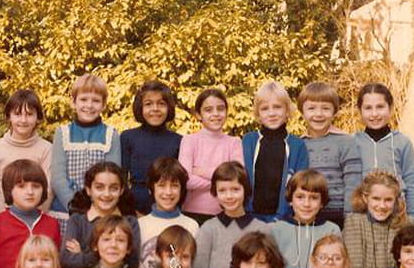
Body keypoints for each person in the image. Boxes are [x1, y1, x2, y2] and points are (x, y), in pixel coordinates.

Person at [50, 74, 121, 229]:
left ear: (103, 104)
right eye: (83, 99)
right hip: (67, 210)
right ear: (73, 102)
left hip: (101, 209)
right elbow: (57, 176)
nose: (89, 105)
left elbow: (113, 176)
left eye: (96, 100)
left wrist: (96, 208)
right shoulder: (62, 133)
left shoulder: (111, 134)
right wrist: (73, 204)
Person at [242, 80, 309, 222]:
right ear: (258, 114)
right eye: (265, 109)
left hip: (284, 217)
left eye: (277, 107)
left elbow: (301, 184)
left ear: (287, 111)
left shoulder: (297, 145)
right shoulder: (248, 141)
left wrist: (287, 215)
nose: (271, 113)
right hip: (250, 216)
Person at [298, 81, 361, 229]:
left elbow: (353, 181)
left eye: (325, 108)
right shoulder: (299, 144)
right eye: (311, 108)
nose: (318, 114)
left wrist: (350, 216)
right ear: (302, 111)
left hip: (338, 214)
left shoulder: (346, 141)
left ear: (334, 111)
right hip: (307, 214)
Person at [354, 83, 414, 222]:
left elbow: (412, 180)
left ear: (390, 108)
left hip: (396, 214)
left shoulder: (402, 142)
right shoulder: (352, 143)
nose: (374, 114)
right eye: (368, 108)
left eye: (380, 107)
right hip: (362, 215)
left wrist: (413, 216)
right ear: (360, 111)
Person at [61, 161, 140, 268]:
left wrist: (83, 255)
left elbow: (132, 263)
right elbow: (67, 262)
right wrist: (113, 255)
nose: (107, 194)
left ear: (121, 190)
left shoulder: (130, 222)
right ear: (88, 189)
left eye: (114, 188)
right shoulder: (77, 221)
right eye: (99, 187)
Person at [178, 88, 243, 224]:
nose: (215, 114)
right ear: (198, 114)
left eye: (220, 109)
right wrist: (221, 182)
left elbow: (236, 178)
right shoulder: (189, 140)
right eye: (208, 110)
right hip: (192, 214)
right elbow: (186, 180)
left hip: (226, 214)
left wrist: (201, 172)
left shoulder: (234, 142)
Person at [270, 169, 341, 268]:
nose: (306, 204)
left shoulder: (331, 230)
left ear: (322, 202)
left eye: (314, 198)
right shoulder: (275, 229)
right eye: (300, 197)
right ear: (290, 200)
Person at [121, 81, 182, 215]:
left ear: (169, 107)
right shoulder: (128, 137)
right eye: (148, 104)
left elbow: (181, 183)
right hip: (134, 212)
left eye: (161, 104)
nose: (155, 109)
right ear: (140, 107)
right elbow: (121, 179)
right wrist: (132, 212)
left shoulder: (179, 141)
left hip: (169, 210)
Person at [0, 88, 53, 214]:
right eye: (17, 114)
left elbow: (49, 189)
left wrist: (34, 217)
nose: (23, 120)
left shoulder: (47, 149)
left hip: (36, 217)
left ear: (38, 117)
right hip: (4, 218)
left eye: (29, 114)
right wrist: (5, 218)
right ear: (9, 117)